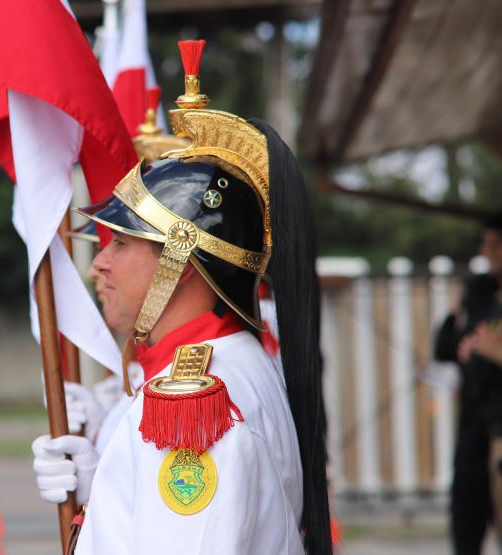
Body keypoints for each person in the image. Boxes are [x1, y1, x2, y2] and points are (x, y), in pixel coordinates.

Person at [31, 40, 331, 554]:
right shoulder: (220, 368)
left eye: (121, 244)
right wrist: (100, 482)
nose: (99, 263)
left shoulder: (195, 409)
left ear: (182, 261)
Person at [436, 212, 502, 554]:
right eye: (486, 243)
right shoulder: (479, 290)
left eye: (496, 244)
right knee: (466, 521)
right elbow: (446, 347)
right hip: (474, 424)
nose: (488, 251)